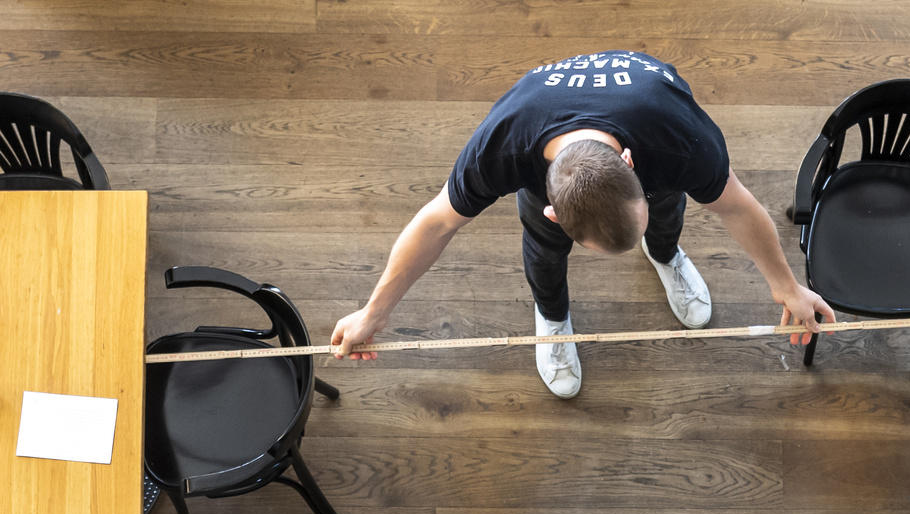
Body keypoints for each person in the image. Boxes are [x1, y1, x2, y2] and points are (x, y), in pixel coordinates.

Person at [331, 49, 835, 398]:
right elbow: (436, 224)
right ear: (555, 212)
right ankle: (553, 319)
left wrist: (786, 285)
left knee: (669, 216)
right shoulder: (501, 146)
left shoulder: (680, 140)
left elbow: (737, 206)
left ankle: (664, 253)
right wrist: (373, 313)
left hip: (648, 109)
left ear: (634, 166)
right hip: (547, 145)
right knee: (545, 256)